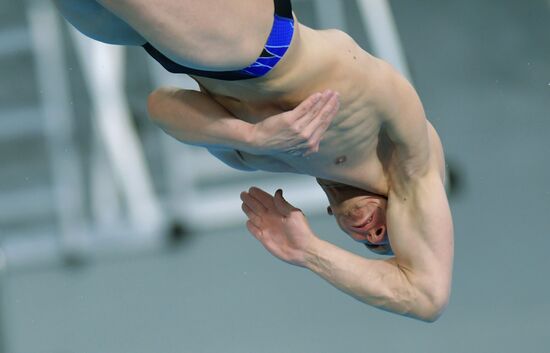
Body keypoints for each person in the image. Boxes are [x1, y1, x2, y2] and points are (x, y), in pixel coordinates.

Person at [54, 0, 454, 321]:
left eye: (370, 245)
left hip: (159, 46)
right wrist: (311, 253)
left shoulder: (269, 155)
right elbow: (427, 296)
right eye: (387, 237)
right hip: (255, 41)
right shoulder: (405, 158)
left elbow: (160, 106)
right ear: (404, 209)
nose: (372, 234)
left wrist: (252, 135)